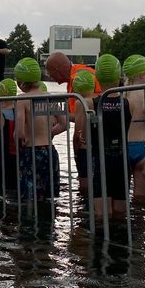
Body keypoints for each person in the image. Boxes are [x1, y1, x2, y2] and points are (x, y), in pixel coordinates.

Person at [82, 54, 132, 217]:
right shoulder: (129, 103)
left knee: (101, 213)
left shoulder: (90, 103)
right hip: (122, 159)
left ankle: (102, 239)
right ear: (119, 75)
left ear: (96, 76)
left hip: (99, 157)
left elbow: (83, 133)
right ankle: (122, 239)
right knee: (121, 211)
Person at [46, 51, 100, 192]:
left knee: (87, 186)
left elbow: (84, 115)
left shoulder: (78, 79)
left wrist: (58, 115)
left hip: (91, 140)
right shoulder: (77, 75)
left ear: (57, 69)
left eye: (50, 72)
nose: (49, 76)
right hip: (96, 138)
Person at [14, 58, 67, 203]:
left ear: (22, 83)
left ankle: (30, 223)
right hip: (50, 151)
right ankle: (49, 224)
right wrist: (49, 134)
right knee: (48, 197)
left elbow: (19, 132)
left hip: (32, 153)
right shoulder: (50, 98)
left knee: (30, 196)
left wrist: (20, 142)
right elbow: (64, 123)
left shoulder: (22, 99)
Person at [122, 54, 145, 202]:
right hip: (142, 148)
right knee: (140, 198)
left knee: (121, 197)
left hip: (123, 147)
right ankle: (141, 223)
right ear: (142, 75)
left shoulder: (121, 95)